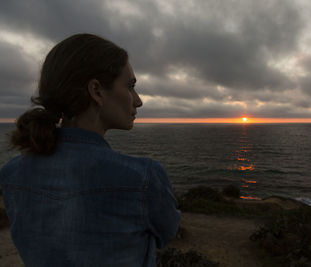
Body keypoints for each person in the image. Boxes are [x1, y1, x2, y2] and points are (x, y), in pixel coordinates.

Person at [0, 33, 181, 266]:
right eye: (130, 86)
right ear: (96, 91)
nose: (138, 101)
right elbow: (166, 233)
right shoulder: (143, 178)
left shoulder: (12, 174)